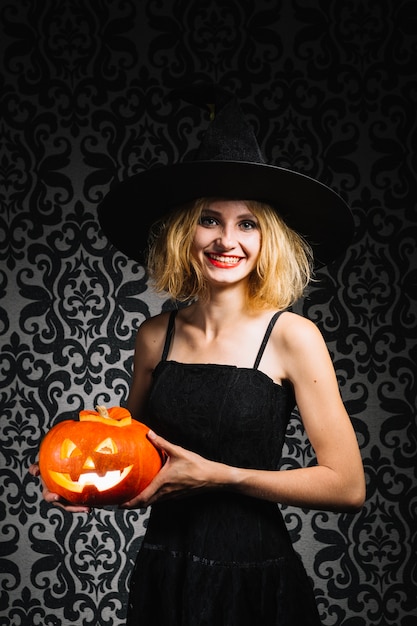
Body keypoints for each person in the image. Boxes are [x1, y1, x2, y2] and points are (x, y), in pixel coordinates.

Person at [30, 85, 366, 625]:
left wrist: (224, 475)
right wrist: (83, 485)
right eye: (210, 219)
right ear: (186, 232)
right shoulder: (153, 336)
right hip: (167, 571)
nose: (226, 240)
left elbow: (347, 486)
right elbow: (134, 459)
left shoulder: (292, 336)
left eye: (247, 223)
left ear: (268, 239)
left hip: (254, 577)